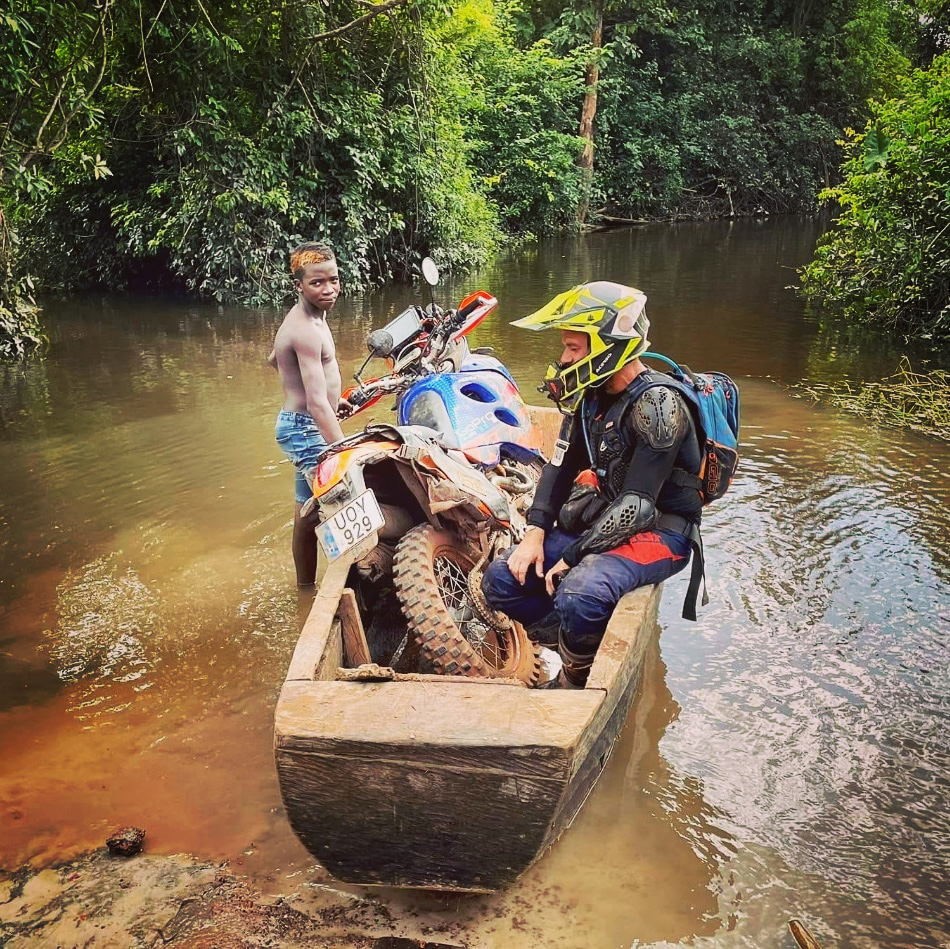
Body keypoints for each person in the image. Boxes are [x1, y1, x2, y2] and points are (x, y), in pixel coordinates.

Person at [481, 281, 703, 688]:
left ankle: (574, 676)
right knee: (501, 577)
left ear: (609, 345)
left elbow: (639, 505)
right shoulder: (590, 399)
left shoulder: (658, 405)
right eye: (566, 348)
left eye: (573, 348)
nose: (564, 358)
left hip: (660, 531)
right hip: (607, 520)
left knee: (580, 592)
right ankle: (579, 642)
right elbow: (557, 468)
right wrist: (533, 534)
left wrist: (576, 555)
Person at [269, 242, 347, 587]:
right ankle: (349, 582)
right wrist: (345, 452)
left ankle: (305, 589)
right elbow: (315, 405)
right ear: (299, 285)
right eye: (317, 283)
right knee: (343, 498)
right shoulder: (304, 329)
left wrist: (332, 401)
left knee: (308, 512)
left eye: (333, 279)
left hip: (304, 423)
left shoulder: (311, 317)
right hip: (304, 428)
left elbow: (274, 359)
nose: (328, 289)